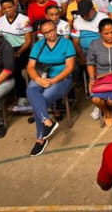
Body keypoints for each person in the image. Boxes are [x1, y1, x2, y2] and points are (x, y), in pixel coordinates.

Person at [26, 20, 76, 156]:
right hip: (42, 76)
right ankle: (47, 121)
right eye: (46, 32)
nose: (50, 34)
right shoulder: (38, 45)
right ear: (42, 34)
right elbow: (30, 67)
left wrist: (52, 80)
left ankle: (40, 139)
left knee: (42, 99)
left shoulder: (67, 43)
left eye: (52, 30)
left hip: (61, 78)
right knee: (31, 89)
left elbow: (70, 67)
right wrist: (38, 79)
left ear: (56, 29)